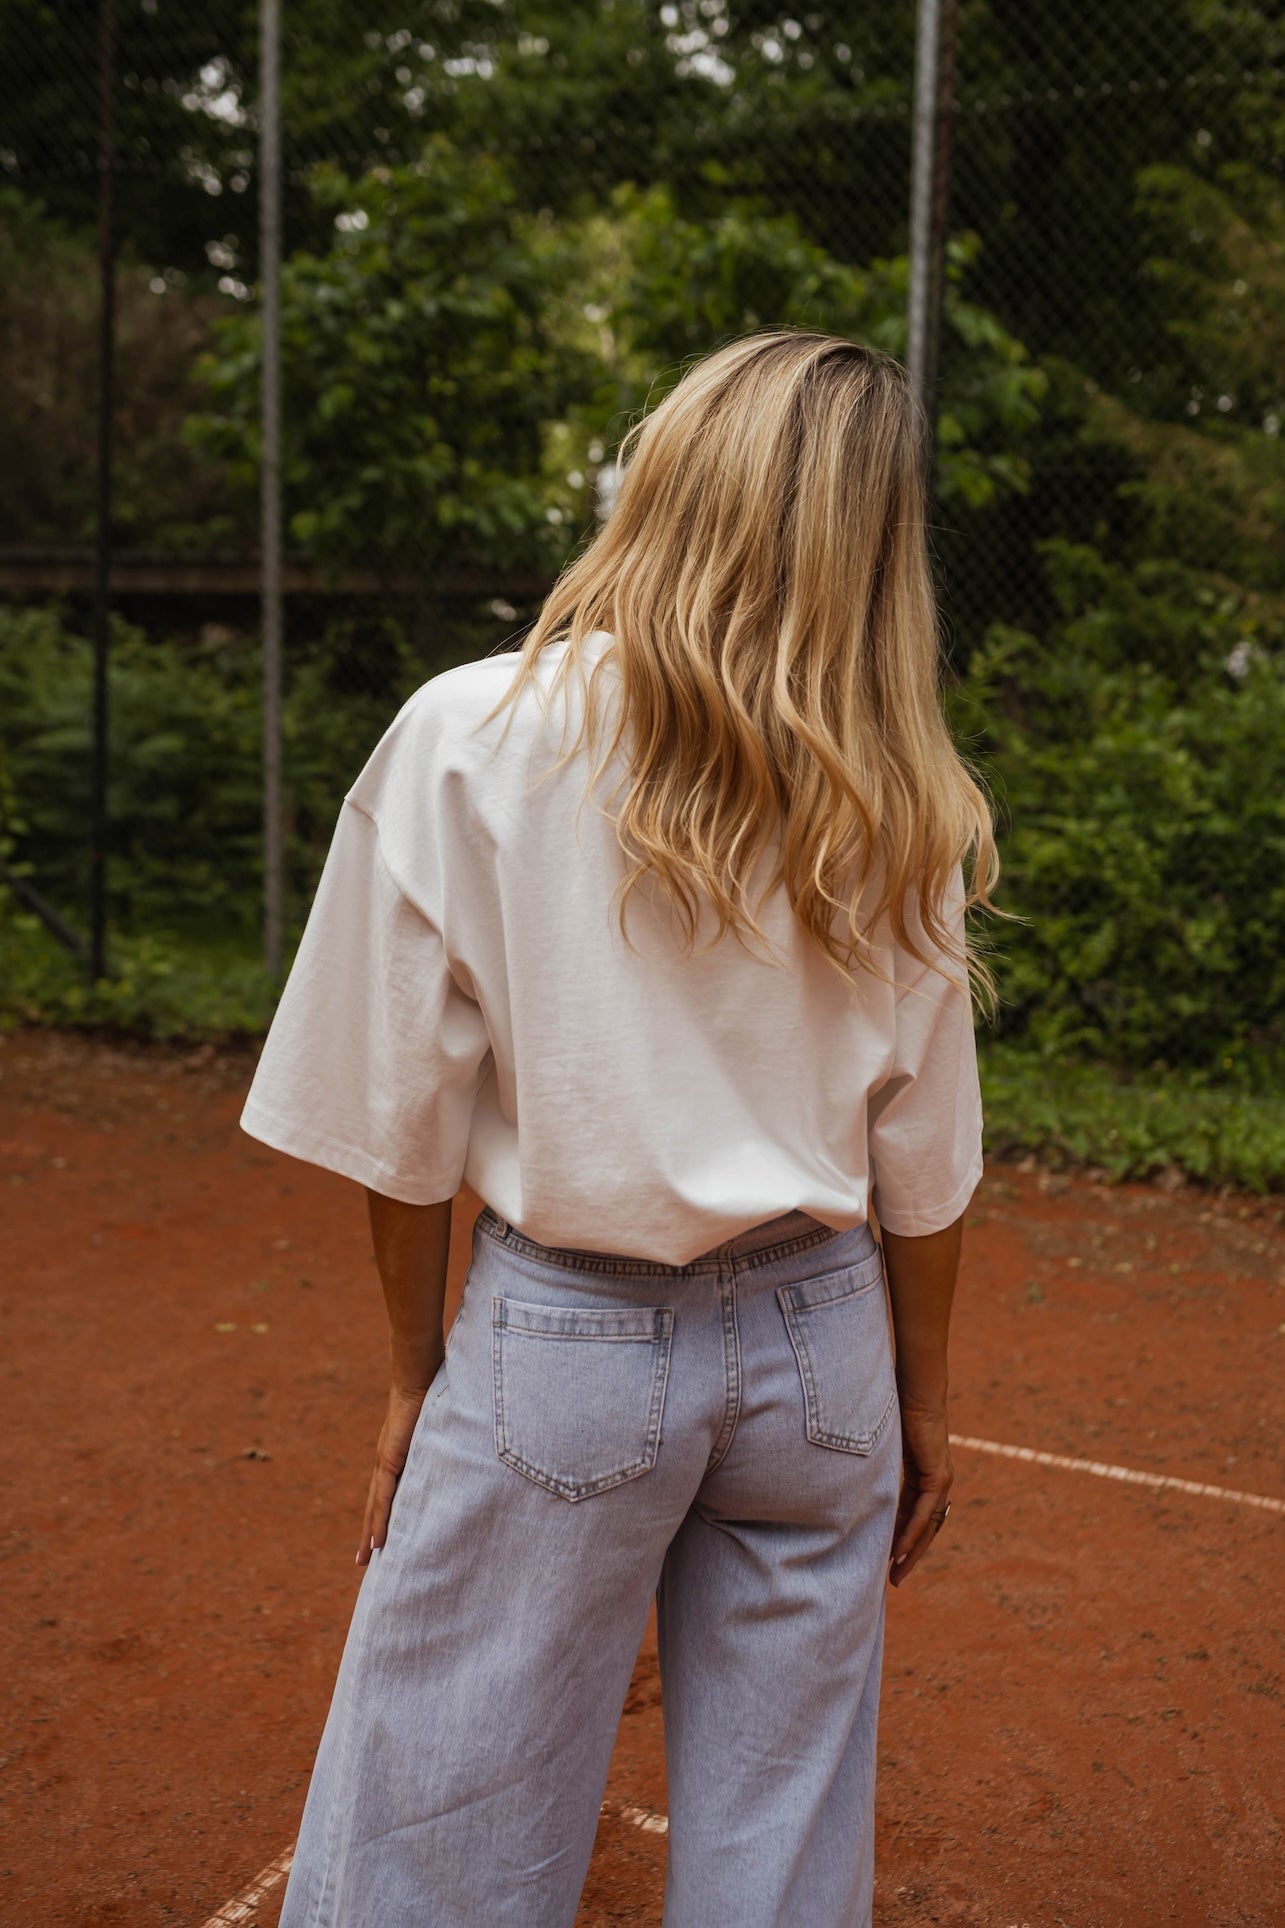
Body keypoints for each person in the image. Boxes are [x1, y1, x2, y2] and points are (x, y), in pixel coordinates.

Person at [240, 328, 998, 1928]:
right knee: (781, 1854)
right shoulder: (909, 791)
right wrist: (923, 1405)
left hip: (564, 1350)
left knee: (432, 1842)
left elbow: (401, 1127)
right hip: (824, 1354)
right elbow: (919, 1172)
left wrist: (408, 1372)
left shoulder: (468, 731)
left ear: (669, 480)